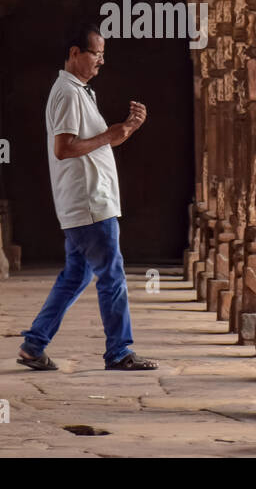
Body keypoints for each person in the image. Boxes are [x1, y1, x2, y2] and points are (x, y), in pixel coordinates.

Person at [16, 23, 158, 372]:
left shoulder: (80, 91)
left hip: (88, 202)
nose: (101, 62)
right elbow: (64, 149)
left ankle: (34, 345)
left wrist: (126, 129)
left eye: (103, 55)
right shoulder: (67, 93)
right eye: (96, 53)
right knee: (112, 276)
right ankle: (120, 351)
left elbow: (98, 143)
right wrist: (111, 133)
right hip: (90, 203)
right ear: (75, 53)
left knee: (75, 277)